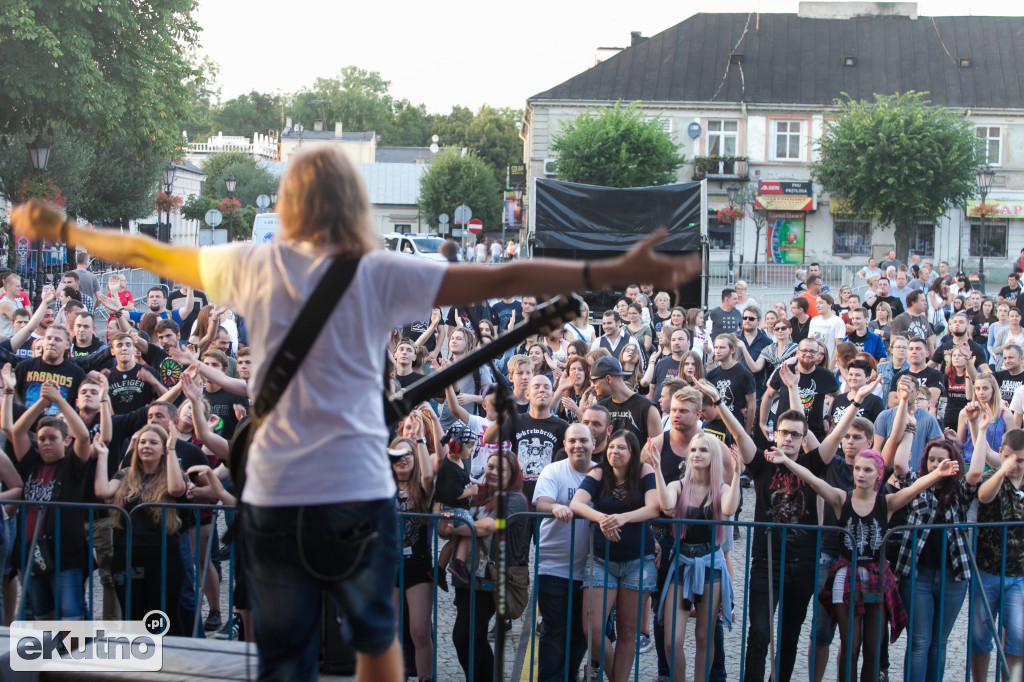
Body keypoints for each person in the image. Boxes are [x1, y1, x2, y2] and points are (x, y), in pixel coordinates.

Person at [13, 148, 701, 681]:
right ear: (353, 203)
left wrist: (66, 227)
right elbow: (504, 278)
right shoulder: (380, 272)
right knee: (378, 640)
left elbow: (142, 251)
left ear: (286, 203)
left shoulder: (251, 264)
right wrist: (612, 268)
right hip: (357, 490)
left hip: (277, 492)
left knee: (284, 659)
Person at [765, 445, 955, 682]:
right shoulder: (841, 498)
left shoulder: (887, 502)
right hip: (846, 575)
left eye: (867, 469)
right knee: (850, 646)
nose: (861, 474)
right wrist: (787, 462)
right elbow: (814, 481)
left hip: (877, 576)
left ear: (878, 474)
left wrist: (937, 474)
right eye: (857, 469)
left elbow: (915, 488)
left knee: (873, 650)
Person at [888, 400, 987, 682]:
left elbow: (977, 474)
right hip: (916, 574)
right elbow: (898, 464)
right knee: (919, 641)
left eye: (943, 459)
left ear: (954, 461)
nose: (937, 464)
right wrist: (910, 426)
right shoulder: (917, 484)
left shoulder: (960, 491)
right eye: (932, 459)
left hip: (953, 576)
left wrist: (978, 427)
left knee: (938, 643)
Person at [649, 428, 741, 682]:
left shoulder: (721, 488)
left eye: (703, 450)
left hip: (711, 564)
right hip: (681, 563)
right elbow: (666, 505)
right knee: (671, 640)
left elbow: (730, 507)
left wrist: (738, 475)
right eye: (693, 450)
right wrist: (656, 468)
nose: (697, 454)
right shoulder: (678, 485)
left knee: (704, 636)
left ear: (713, 455)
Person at [569, 430, 659, 682]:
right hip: (601, 560)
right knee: (593, 629)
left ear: (632, 452)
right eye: (611, 448)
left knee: (628, 631)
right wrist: (602, 520)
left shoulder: (644, 472)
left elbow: (653, 507)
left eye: (621, 448)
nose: (614, 452)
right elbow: (577, 503)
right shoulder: (599, 473)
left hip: (638, 561)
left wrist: (623, 517)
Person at [4, 378, 90, 620]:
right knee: (43, 614)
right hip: (31, 550)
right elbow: (17, 430)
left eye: (52, 438)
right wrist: (43, 400)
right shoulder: (31, 463)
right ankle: (47, 657)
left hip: (65, 551)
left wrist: (59, 400)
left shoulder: (72, 466)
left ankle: (76, 656)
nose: (46, 443)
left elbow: (83, 437)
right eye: (42, 439)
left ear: (65, 441)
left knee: (71, 613)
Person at [94, 423, 188, 633]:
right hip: (127, 557)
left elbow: (176, 489)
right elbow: (102, 491)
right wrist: (102, 455)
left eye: (153, 443)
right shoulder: (126, 474)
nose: (146, 446)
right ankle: (139, 661)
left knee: (165, 615)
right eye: (142, 442)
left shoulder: (172, 474)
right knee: (133, 616)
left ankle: (172, 660)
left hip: (163, 558)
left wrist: (172, 449)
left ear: (163, 448)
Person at [449, 451, 531, 682]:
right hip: (467, 573)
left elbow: (488, 526)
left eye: (500, 469)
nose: (492, 472)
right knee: (474, 636)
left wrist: (455, 528)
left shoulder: (515, 500)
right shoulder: (479, 494)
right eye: (490, 466)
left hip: (493, 577)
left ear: (513, 474)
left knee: (464, 636)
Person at [533, 423, 596, 682]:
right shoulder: (553, 470)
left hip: (591, 570)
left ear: (593, 443)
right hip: (553, 565)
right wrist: (556, 507)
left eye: (583, 440)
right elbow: (541, 502)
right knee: (555, 630)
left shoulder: (601, 473)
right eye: (572, 441)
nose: (577, 446)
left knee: (581, 632)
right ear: (565, 445)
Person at [969, 424, 1024, 682]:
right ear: (1000, 453)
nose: (1015, 464)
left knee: (1016, 637)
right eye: (1009, 457)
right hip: (987, 571)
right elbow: (984, 496)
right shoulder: (992, 475)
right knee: (980, 637)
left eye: (1021, 460)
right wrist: (1002, 470)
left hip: (1019, 575)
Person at [388, 429, 435, 682]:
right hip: (389, 567)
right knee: (392, 631)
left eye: (409, 455)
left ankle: (426, 677)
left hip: (418, 567)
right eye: (398, 455)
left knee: (419, 630)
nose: (403, 459)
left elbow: (429, 473)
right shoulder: (383, 488)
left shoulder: (421, 487)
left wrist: (419, 440)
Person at [591, 356, 662, 444]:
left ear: (608, 379)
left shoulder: (647, 408)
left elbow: (657, 449)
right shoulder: (602, 407)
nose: (592, 385)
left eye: (594, 381)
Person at [707, 334, 756, 434]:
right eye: (716, 347)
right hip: (714, 426)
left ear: (732, 350)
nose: (717, 351)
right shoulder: (712, 374)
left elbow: (752, 405)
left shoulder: (744, 374)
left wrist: (746, 432)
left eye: (722, 347)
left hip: (735, 427)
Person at [810, 295, 847, 370]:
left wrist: (830, 366)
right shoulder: (814, 320)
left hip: (829, 363)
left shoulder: (837, 321)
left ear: (829, 304)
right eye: (816, 303)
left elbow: (838, 347)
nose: (817, 306)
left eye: (821, 303)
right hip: (814, 364)